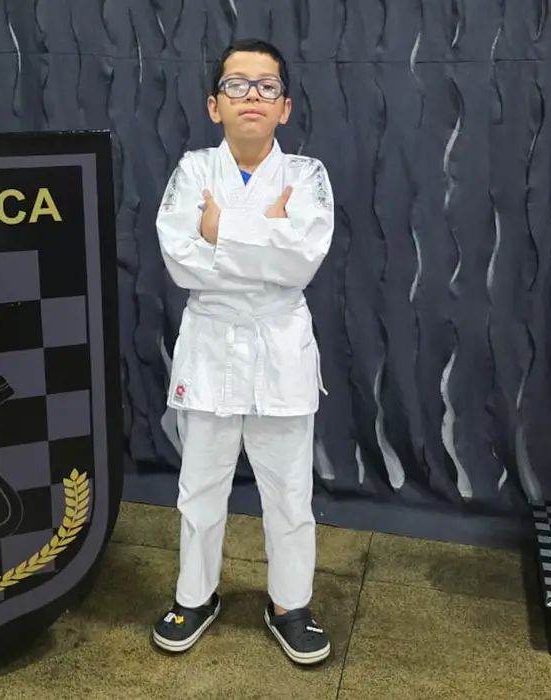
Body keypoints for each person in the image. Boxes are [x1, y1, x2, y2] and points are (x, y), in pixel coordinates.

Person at [148, 38, 336, 665]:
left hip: (281, 347)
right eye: (236, 84)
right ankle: (194, 597)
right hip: (211, 346)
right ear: (214, 104)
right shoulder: (192, 171)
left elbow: (301, 263)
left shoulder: (307, 175)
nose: (251, 95)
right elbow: (181, 262)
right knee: (200, 487)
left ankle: (290, 605)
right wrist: (268, 233)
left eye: (266, 86)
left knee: (289, 493)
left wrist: (220, 228)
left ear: (284, 107)